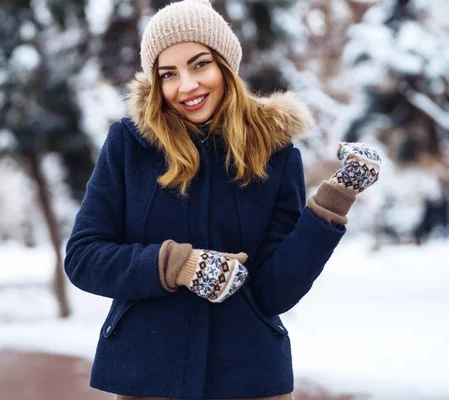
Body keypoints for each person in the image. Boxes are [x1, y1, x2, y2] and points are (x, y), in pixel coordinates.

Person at [64, 0, 381, 399]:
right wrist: (175, 265)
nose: (187, 86)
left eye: (200, 64)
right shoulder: (130, 146)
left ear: (226, 66)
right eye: (168, 74)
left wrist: (335, 201)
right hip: (148, 376)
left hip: (248, 378)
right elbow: (83, 257)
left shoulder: (276, 154)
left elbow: (275, 292)